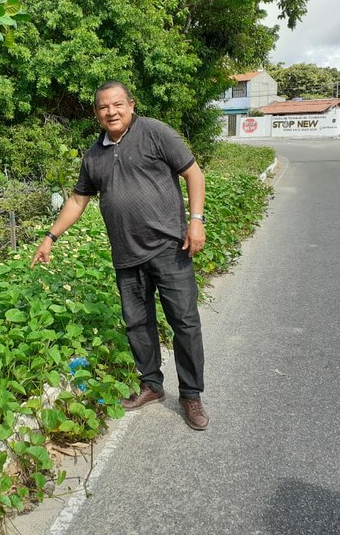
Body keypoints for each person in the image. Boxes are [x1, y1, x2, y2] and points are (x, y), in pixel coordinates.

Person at [31, 80, 209, 430]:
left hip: (169, 248)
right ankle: (152, 385)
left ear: (131, 105)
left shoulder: (155, 133)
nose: (111, 112)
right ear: (96, 113)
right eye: (103, 107)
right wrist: (50, 236)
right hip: (126, 253)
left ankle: (191, 394)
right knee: (137, 324)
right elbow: (78, 200)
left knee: (184, 322)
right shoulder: (94, 155)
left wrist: (196, 221)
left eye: (117, 104)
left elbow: (193, 173)